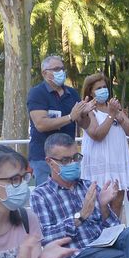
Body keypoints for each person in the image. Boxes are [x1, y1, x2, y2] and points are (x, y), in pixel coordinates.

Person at [79, 73, 129, 220]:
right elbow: (97, 135)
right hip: (98, 163)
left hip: (117, 162)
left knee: (117, 203)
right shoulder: (89, 110)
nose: (103, 90)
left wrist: (120, 118)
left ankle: (114, 230)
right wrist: (111, 116)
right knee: (99, 205)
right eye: (98, 88)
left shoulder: (113, 107)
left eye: (104, 87)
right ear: (91, 92)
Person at [27, 55, 84, 187]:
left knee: (70, 192)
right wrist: (70, 117)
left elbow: (83, 124)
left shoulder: (72, 93)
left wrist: (85, 113)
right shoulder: (37, 93)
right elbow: (41, 124)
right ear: (44, 73)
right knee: (46, 193)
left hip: (69, 158)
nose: (61, 72)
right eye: (56, 69)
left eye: (62, 69)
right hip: (43, 159)